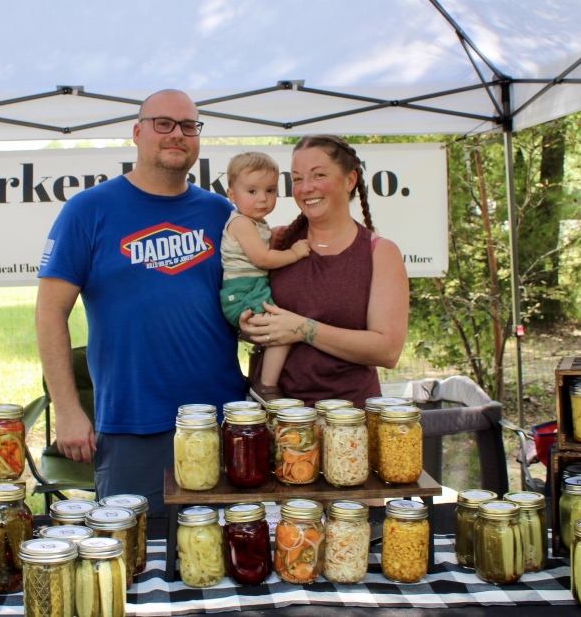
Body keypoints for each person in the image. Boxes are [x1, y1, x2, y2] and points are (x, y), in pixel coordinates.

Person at [35, 89, 244, 513]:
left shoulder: (222, 213)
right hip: (132, 425)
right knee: (137, 560)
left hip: (220, 420)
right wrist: (68, 410)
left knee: (222, 556)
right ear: (137, 132)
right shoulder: (88, 210)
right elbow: (50, 312)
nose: (177, 135)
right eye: (163, 124)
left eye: (188, 126)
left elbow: (246, 297)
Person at [240, 135, 409, 409]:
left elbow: (388, 350)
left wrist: (303, 329)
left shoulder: (379, 252)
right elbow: (244, 304)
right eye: (296, 179)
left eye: (318, 175)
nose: (306, 188)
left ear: (350, 180)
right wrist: (248, 327)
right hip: (276, 418)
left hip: (348, 421)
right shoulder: (276, 242)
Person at [219, 152, 311, 396]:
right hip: (242, 293)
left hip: (250, 289)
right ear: (231, 195)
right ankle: (265, 386)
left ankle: (257, 377)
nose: (263, 198)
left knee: (270, 336)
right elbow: (263, 259)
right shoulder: (241, 223)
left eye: (270, 190)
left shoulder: (255, 223)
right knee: (284, 333)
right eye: (252, 191)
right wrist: (295, 253)